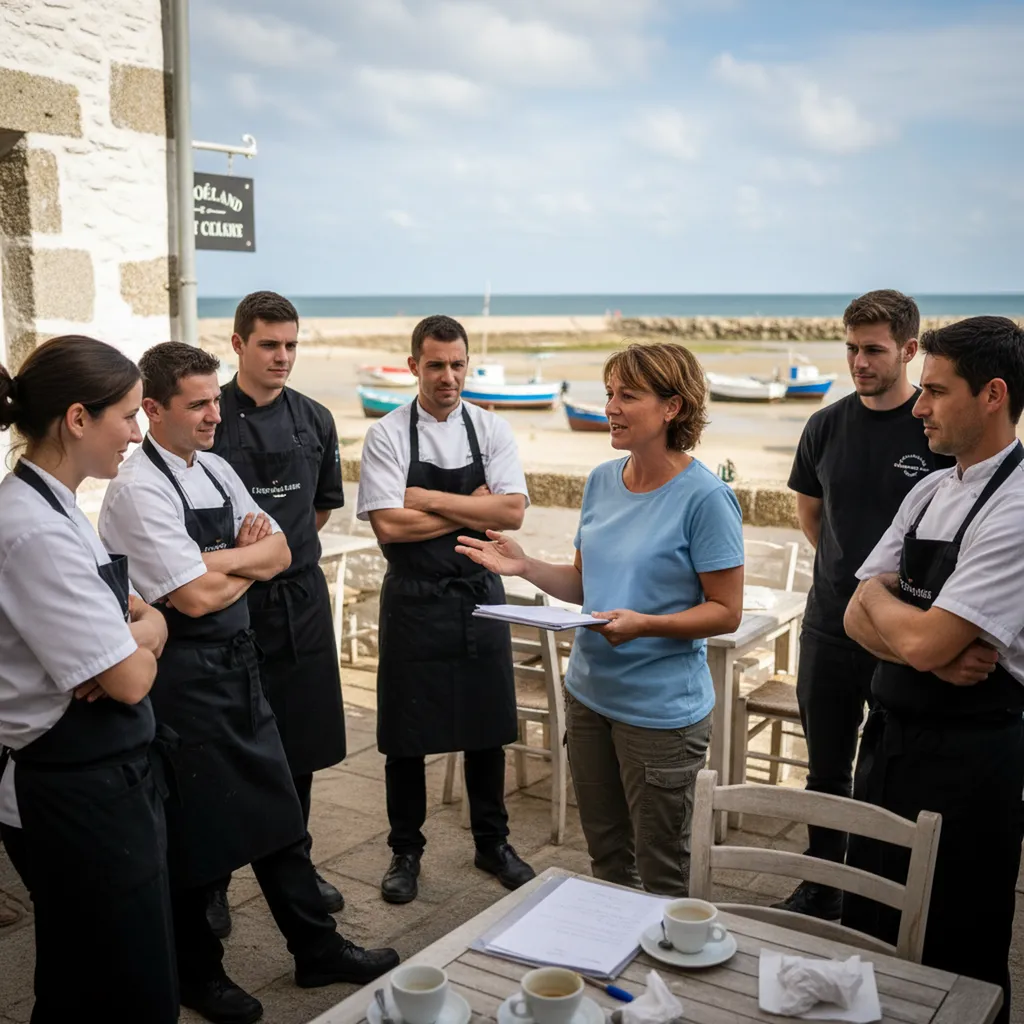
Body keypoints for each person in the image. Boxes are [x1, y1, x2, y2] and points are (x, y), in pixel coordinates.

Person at [100, 342, 398, 1024]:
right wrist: (236, 562)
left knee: (279, 815)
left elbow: (282, 550)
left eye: (214, 399)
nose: (214, 415)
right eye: (198, 404)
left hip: (240, 665)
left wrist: (212, 561)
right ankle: (199, 976)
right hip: (182, 681)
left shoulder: (218, 470)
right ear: (152, 411)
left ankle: (315, 947)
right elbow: (198, 600)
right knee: (197, 836)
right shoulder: (137, 490)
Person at [457, 342, 744, 896]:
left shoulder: (706, 498)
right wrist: (525, 567)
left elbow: (726, 612)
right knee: (608, 860)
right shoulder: (601, 480)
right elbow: (586, 585)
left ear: (673, 408)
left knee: (664, 871)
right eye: (609, 393)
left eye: (628, 396)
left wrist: (645, 624)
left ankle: (668, 979)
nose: (610, 406)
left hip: (660, 716)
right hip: (588, 698)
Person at [842, 316, 1024, 1023]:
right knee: (870, 926)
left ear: (992, 395)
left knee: (955, 947)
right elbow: (860, 610)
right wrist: (919, 643)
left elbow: (901, 628)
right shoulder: (928, 491)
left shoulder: (1015, 507)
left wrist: (904, 629)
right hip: (888, 744)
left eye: (936, 392)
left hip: (968, 765)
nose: (917, 408)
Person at [0, 336, 178, 1022]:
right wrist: (136, 645)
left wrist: (138, 637)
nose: (137, 433)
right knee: (118, 989)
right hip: (74, 795)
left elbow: (143, 622)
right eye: (129, 416)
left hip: (105, 778)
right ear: (78, 418)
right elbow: (132, 679)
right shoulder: (33, 530)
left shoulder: (59, 505)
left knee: (87, 973)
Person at [777, 290, 955, 920]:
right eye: (851, 348)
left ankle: (879, 893)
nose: (858, 362)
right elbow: (811, 513)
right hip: (828, 626)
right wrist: (848, 580)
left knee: (889, 775)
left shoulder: (934, 426)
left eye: (873, 350)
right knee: (824, 769)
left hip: (903, 635)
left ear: (909, 350)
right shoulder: (825, 424)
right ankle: (822, 883)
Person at [358, 314, 535, 904]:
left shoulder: (491, 430)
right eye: (436, 364)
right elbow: (389, 525)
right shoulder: (386, 434)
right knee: (405, 737)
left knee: (487, 730)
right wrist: (472, 507)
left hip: (480, 596)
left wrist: (429, 499)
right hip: (413, 600)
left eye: (458, 364)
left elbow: (510, 515)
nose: (448, 376)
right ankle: (404, 850)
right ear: (414, 366)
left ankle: (493, 842)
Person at [207, 291, 347, 938]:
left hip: (300, 602)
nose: (283, 356)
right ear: (238, 345)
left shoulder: (315, 419)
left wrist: (275, 555)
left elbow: (317, 510)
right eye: (269, 344)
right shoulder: (209, 422)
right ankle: (214, 878)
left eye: (291, 344)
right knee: (223, 747)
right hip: (228, 605)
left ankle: (298, 864)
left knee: (301, 746)